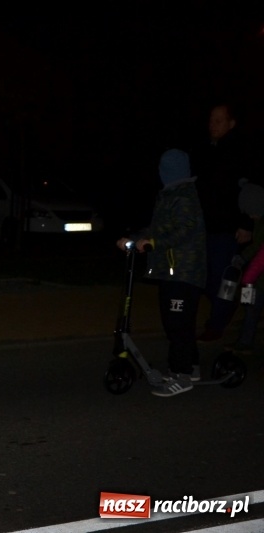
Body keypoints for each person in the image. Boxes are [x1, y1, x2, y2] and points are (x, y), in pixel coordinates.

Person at [116, 149, 206, 396]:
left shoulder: (184, 197)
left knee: (178, 324)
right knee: (178, 323)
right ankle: (191, 367)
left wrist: (154, 243)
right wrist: (133, 238)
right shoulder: (168, 195)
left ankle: (181, 376)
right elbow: (156, 228)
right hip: (170, 271)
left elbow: (184, 230)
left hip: (185, 271)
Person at [192, 103, 253, 342]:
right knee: (206, 278)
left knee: (224, 278)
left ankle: (216, 324)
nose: (213, 125)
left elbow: (250, 190)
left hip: (229, 229)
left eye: (219, 120)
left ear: (231, 123)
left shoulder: (240, 151)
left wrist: (246, 224)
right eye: (211, 120)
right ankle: (226, 308)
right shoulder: (208, 150)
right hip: (207, 227)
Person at [227, 183, 264, 354]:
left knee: (251, 307)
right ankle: (245, 341)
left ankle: (245, 342)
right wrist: (243, 258)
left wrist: (246, 275)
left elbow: (260, 252)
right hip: (257, 278)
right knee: (250, 308)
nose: (250, 216)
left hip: (257, 278)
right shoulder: (259, 219)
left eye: (251, 211)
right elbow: (256, 245)